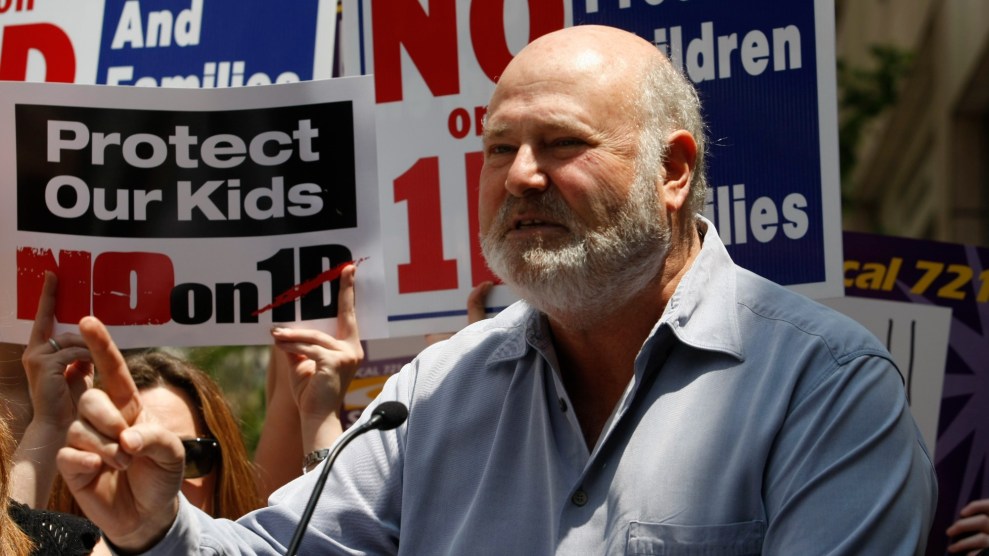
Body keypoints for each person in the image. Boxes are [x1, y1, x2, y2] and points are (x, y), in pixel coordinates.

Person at [57, 25, 936, 554]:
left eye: (560, 143)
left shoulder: (824, 390)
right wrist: (153, 528)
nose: (518, 177)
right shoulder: (433, 396)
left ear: (672, 173)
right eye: (494, 149)